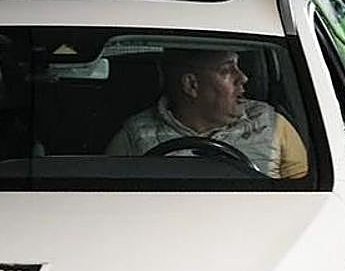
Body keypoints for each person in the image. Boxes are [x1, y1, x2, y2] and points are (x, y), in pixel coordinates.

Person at [106, 49, 308, 179]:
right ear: (191, 85)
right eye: (227, 70)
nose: (244, 77)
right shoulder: (134, 137)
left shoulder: (272, 124)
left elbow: (307, 195)